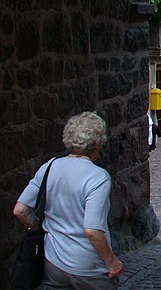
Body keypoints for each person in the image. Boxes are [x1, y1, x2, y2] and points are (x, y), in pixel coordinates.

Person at [13, 112, 124, 288]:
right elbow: (93, 230)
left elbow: (20, 210)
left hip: (53, 262)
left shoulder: (49, 167)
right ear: (98, 144)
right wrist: (111, 261)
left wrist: (40, 228)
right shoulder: (98, 177)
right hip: (87, 265)